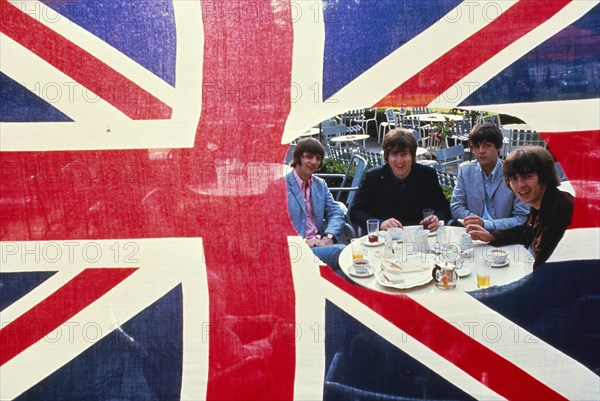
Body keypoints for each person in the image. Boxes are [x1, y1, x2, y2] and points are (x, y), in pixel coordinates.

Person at [467, 146, 573, 269]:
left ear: (545, 176)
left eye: (528, 176)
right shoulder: (543, 201)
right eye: (514, 178)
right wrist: (492, 236)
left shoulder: (560, 212)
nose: (520, 185)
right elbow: (527, 232)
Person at [350, 129, 450, 232]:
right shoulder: (374, 177)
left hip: (420, 237)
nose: (399, 161)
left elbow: (444, 207)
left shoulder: (427, 175)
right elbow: (356, 212)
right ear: (387, 157)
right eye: (394, 154)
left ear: (412, 156)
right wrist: (381, 223)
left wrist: (437, 218)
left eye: (404, 154)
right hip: (386, 238)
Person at [451, 122, 529, 230]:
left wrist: (486, 224)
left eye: (487, 145)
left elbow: (522, 218)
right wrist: (475, 222)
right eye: (476, 146)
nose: (481, 151)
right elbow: (456, 207)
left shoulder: (514, 174)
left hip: (503, 236)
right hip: (472, 232)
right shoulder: (465, 171)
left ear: (499, 147)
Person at [286, 138, 346, 269]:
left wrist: (329, 235)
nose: (314, 162)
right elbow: (275, 226)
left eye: (318, 158)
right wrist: (304, 241)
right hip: (296, 250)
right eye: (309, 157)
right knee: (344, 253)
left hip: (320, 244)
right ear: (298, 157)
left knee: (344, 274)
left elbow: (335, 211)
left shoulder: (320, 184)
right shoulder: (281, 187)